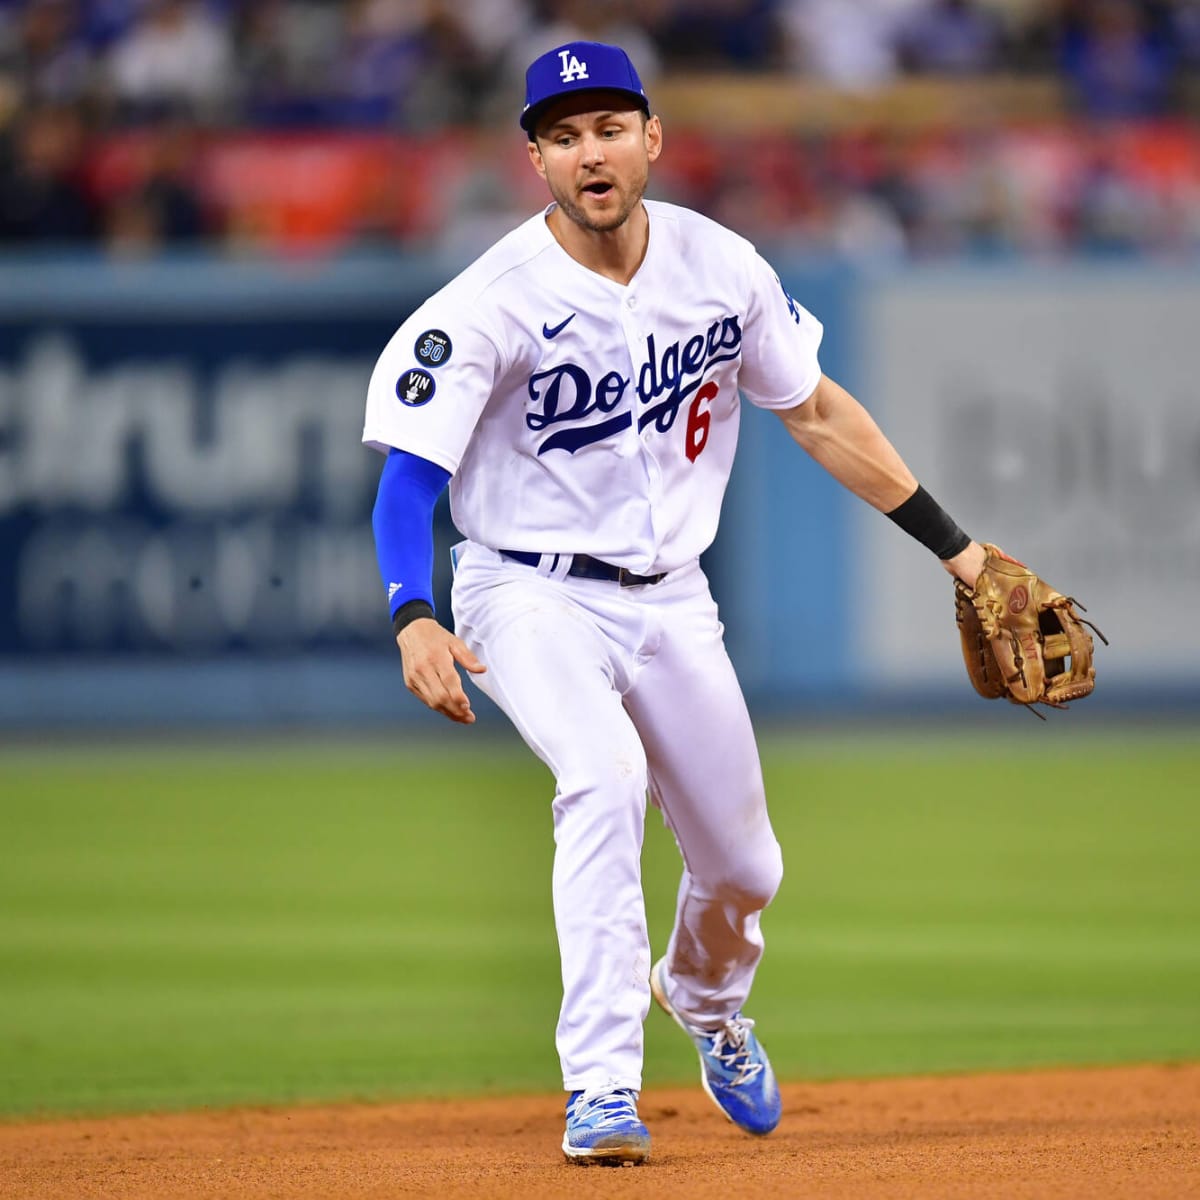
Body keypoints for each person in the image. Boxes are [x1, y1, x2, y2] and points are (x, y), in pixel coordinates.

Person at [362, 40, 987, 1166]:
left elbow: (819, 415)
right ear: (537, 162)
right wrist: (414, 610)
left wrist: (961, 552)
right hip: (526, 592)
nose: (589, 151)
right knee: (602, 780)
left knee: (747, 869)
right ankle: (599, 1089)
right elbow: (410, 481)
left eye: (608, 127)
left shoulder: (721, 265)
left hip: (674, 600)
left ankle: (703, 1002)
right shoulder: (490, 302)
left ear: (652, 137)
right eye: (562, 135)